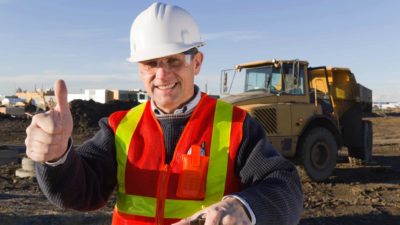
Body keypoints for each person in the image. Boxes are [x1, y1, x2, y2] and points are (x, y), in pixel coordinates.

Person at [25, 2, 303, 225]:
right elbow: (81, 193)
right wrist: (57, 157)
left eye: (174, 60)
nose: (162, 74)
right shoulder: (119, 127)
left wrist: (246, 207)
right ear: (139, 69)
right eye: (150, 63)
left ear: (196, 62)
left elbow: (284, 185)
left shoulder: (237, 125)